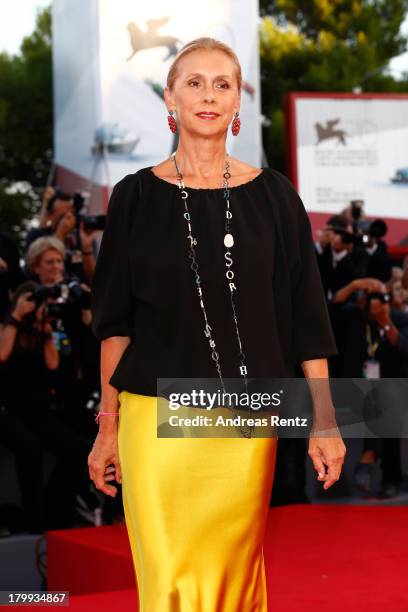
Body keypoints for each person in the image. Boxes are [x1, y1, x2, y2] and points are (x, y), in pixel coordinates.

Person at [88, 37, 346, 612]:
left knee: (232, 580)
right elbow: (115, 326)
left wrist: (325, 422)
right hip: (155, 419)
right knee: (170, 579)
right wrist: (108, 428)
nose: (209, 95)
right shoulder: (133, 197)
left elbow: (308, 319)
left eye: (223, 84)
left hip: (245, 421)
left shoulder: (276, 197)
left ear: (236, 105)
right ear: (170, 99)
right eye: (195, 83)